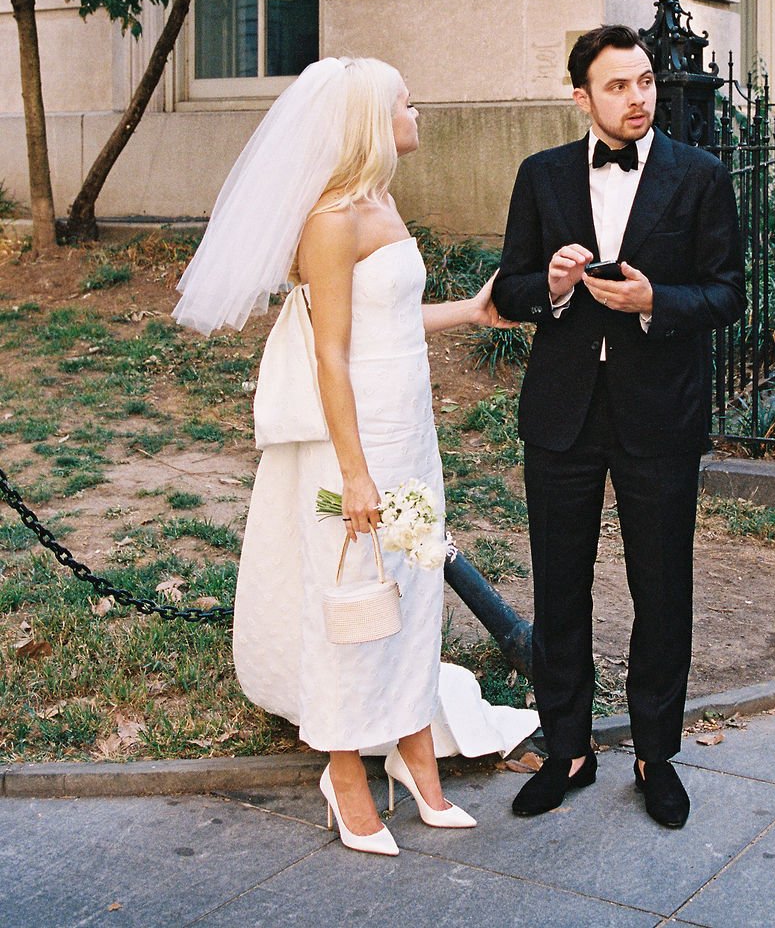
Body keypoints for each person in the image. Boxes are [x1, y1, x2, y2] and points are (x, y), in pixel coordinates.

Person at [173, 56, 535, 857]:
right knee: (351, 599)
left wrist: (474, 312)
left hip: (409, 427)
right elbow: (331, 356)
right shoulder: (331, 221)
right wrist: (358, 472)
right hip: (356, 439)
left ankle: (411, 749)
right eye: (407, 103)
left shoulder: (382, 201)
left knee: (408, 585)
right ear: (374, 121)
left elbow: (393, 323)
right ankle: (343, 771)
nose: (419, 113)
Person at [492, 25, 744, 828]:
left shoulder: (699, 176)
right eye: (618, 86)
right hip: (561, 416)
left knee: (661, 589)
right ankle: (566, 746)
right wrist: (555, 287)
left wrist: (654, 304)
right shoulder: (541, 177)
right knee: (559, 588)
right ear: (581, 97)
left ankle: (654, 754)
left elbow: (728, 293)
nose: (638, 98)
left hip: (659, 415)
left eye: (645, 82)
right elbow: (511, 289)